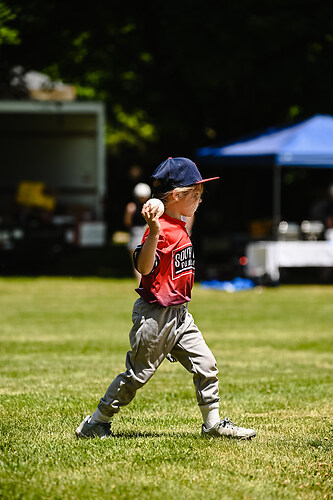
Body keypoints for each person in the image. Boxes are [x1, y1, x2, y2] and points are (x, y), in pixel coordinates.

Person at [75, 157, 256, 441]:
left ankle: (212, 424)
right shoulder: (159, 230)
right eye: (194, 195)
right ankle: (95, 422)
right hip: (155, 316)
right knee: (136, 376)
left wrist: (163, 208)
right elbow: (144, 268)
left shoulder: (178, 223)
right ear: (177, 196)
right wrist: (155, 229)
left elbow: (165, 207)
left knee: (207, 364)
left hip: (180, 315)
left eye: (200, 195)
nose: (199, 200)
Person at [124, 182, 151, 282]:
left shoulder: (131, 207)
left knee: (136, 263)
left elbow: (127, 222)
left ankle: (141, 284)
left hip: (136, 234)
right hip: (148, 233)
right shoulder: (150, 206)